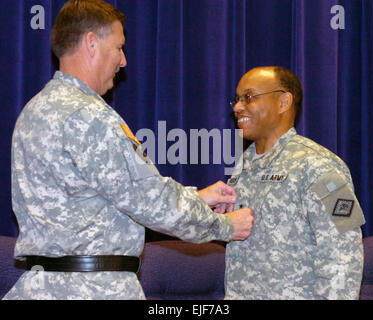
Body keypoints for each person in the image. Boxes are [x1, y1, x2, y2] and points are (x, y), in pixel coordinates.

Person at [3, 0, 254, 300]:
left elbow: (98, 199)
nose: (123, 61)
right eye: (119, 47)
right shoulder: (90, 116)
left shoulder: (35, 110)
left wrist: (198, 197)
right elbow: (152, 201)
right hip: (94, 289)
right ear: (92, 43)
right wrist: (225, 226)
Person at [225, 66, 365, 300]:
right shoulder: (245, 165)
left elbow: (344, 256)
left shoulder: (319, 165)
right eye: (237, 100)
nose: (238, 107)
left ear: (283, 102)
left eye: (248, 97)